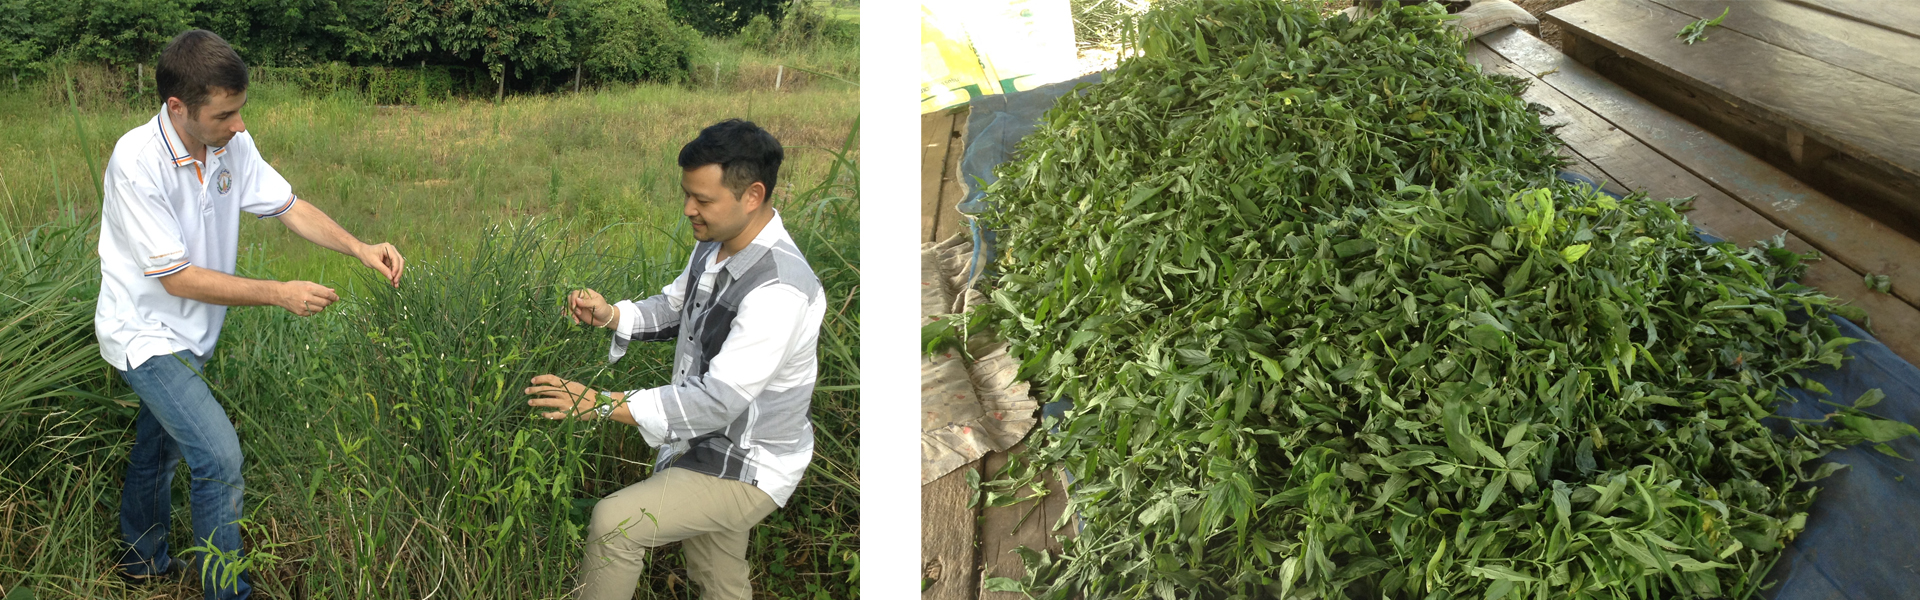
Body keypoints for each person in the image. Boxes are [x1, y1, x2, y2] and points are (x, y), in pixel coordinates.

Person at [98, 29, 404, 599]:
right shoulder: (136, 163)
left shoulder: (229, 143)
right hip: (144, 333)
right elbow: (177, 276)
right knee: (218, 457)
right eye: (226, 114)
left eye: (242, 111)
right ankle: (226, 592)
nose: (239, 125)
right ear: (178, 107)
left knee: (160, 446)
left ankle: (141, 564)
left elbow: (288, 206)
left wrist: (359, 247)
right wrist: (277, 292)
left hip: (195, 331)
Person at [523, 119, 824, 600]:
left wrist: (598, 403)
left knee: (615, 523)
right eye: (687, 195)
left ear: (752, 195)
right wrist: (610, 314)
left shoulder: (779, 289)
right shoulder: (717, 245)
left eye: (703, 200)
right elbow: (676, 308)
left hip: (748, 462)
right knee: (716, 570)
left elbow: (715, 402)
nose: (689, 210)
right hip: (709, 443)